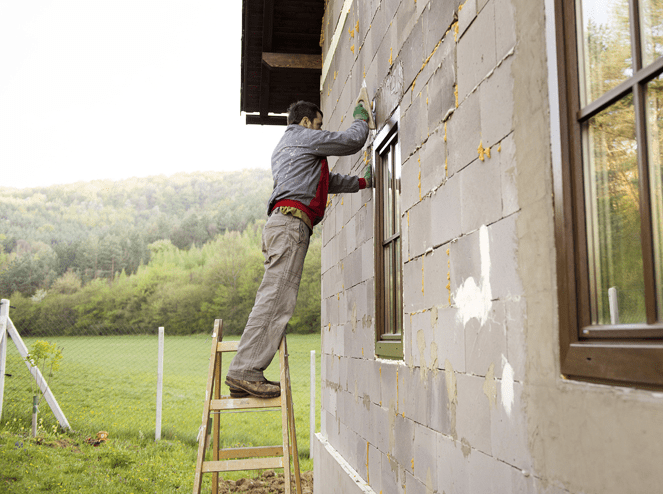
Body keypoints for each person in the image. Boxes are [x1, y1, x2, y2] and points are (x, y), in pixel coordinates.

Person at [225, 100, 372, 398]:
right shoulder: (300, 136)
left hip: (284, 225)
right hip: (290, 226)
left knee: (274, 298)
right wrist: (361, 121)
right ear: (306, 123)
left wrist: (360, 182)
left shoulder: (290, 147)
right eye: (319, 124)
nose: (320, 130)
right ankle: (245, 371)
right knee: (276, 300)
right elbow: (351, 141)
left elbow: (322, 181)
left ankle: (244, 372)